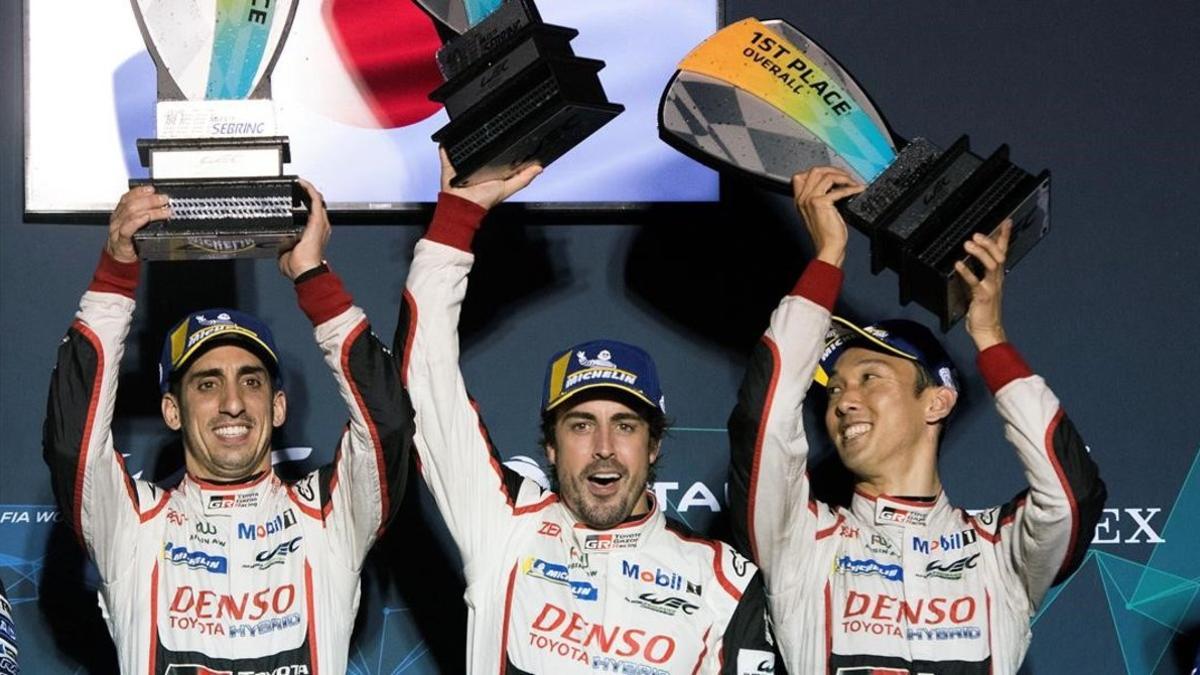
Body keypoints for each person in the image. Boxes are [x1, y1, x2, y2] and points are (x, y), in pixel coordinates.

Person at [400, 152, 781, 673]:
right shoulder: (504, 526)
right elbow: (426, 382)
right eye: (581, 425)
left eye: (625, 425)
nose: (604, 446)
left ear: (654, 445)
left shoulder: (723, 581)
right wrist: (457, 217)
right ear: (550, 447)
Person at [727, 167, 1106, 673]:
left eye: (871, 377)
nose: (843, 400)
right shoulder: (801, 540)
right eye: (835, 387)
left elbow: (1069, 495)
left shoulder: (997, 553)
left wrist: (990, 337)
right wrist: (827, 256)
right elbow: (767, 420)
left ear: (937, 402)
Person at [42, 182, 413, 673]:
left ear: (279, 407)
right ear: (172, 411)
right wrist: (116, 274)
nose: (233, 403)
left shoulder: (327, 518)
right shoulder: (133, 527)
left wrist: (312, 277)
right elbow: (75, 445)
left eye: (252, 381)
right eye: (207, 384)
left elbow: (387, 424)